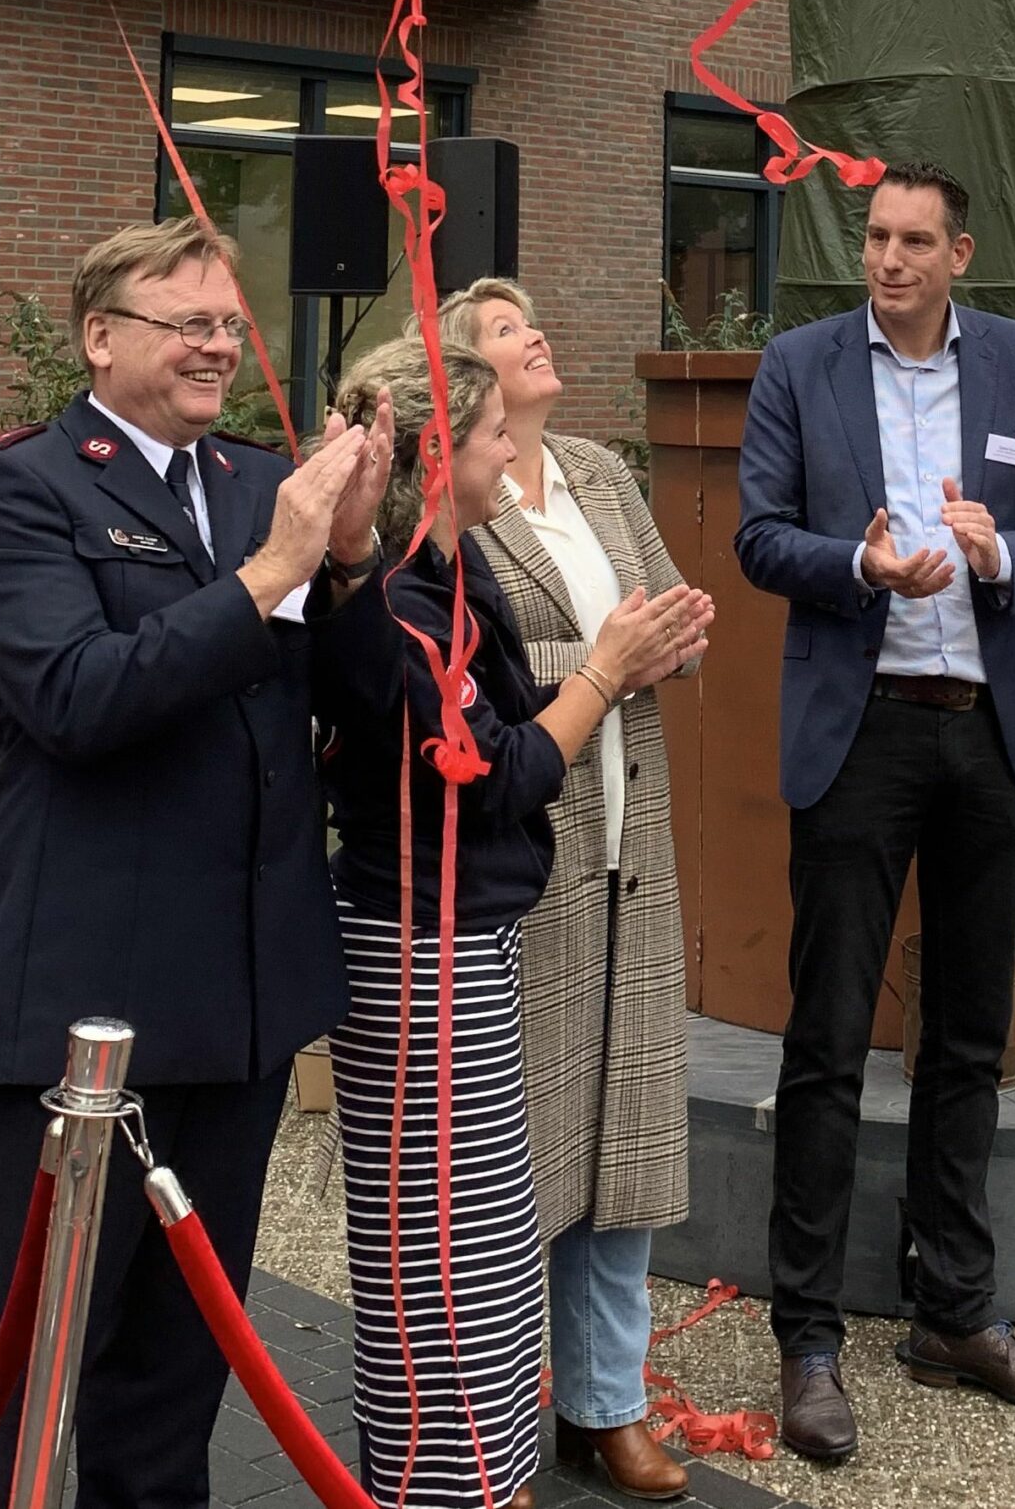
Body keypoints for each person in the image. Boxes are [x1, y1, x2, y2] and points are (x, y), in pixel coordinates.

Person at [0, 217, 388, 1508]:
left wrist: (351, 561)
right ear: (100, 336)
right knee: (21, 1367)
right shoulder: (23, 487)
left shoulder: (259, 484)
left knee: (177, 1372)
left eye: (229, 324)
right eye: (186, 321)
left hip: (239, 1003)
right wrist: (271, 572)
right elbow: (75, 698)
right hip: (92, 1008)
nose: (216, 346)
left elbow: (359, 711)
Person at [734, 160, 1015, 1462]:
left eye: (912, 241)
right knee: (828, 1037)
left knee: (964, 1038)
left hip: (992, 733)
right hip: (862, 730)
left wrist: (1004, 552)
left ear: (960, 253)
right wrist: (860, 562)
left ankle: (954, 1312)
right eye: (875, 237)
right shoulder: (799, 367)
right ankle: (809, 1339)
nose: (888, 259)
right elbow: (760, 536)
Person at [315, 338, 711, 1509]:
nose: (511, 453)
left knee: (484, 1243)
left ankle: (490, 1470)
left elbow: (502, 718)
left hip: (477, 920)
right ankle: (449, 1480)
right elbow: (492, 769)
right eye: (493, 434)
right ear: (442, 455)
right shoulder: (401, 597)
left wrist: (628, 659)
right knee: (449, 1247)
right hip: (421, 941)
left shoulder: (445, 572)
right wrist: (602, 672)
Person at [436, 278, 701, 1501]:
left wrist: (672, 638)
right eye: (505, 328)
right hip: (530, 846)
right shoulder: (457, 494)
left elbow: (657, 606)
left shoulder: (597, 470)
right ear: (463, 373)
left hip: (631, 845)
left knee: (624, 1136)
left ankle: (608, 1406)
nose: (535, 333)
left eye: (532, 318)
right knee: (525, 1146)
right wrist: (604, 661)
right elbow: (459, 658)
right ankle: (496, 1412)